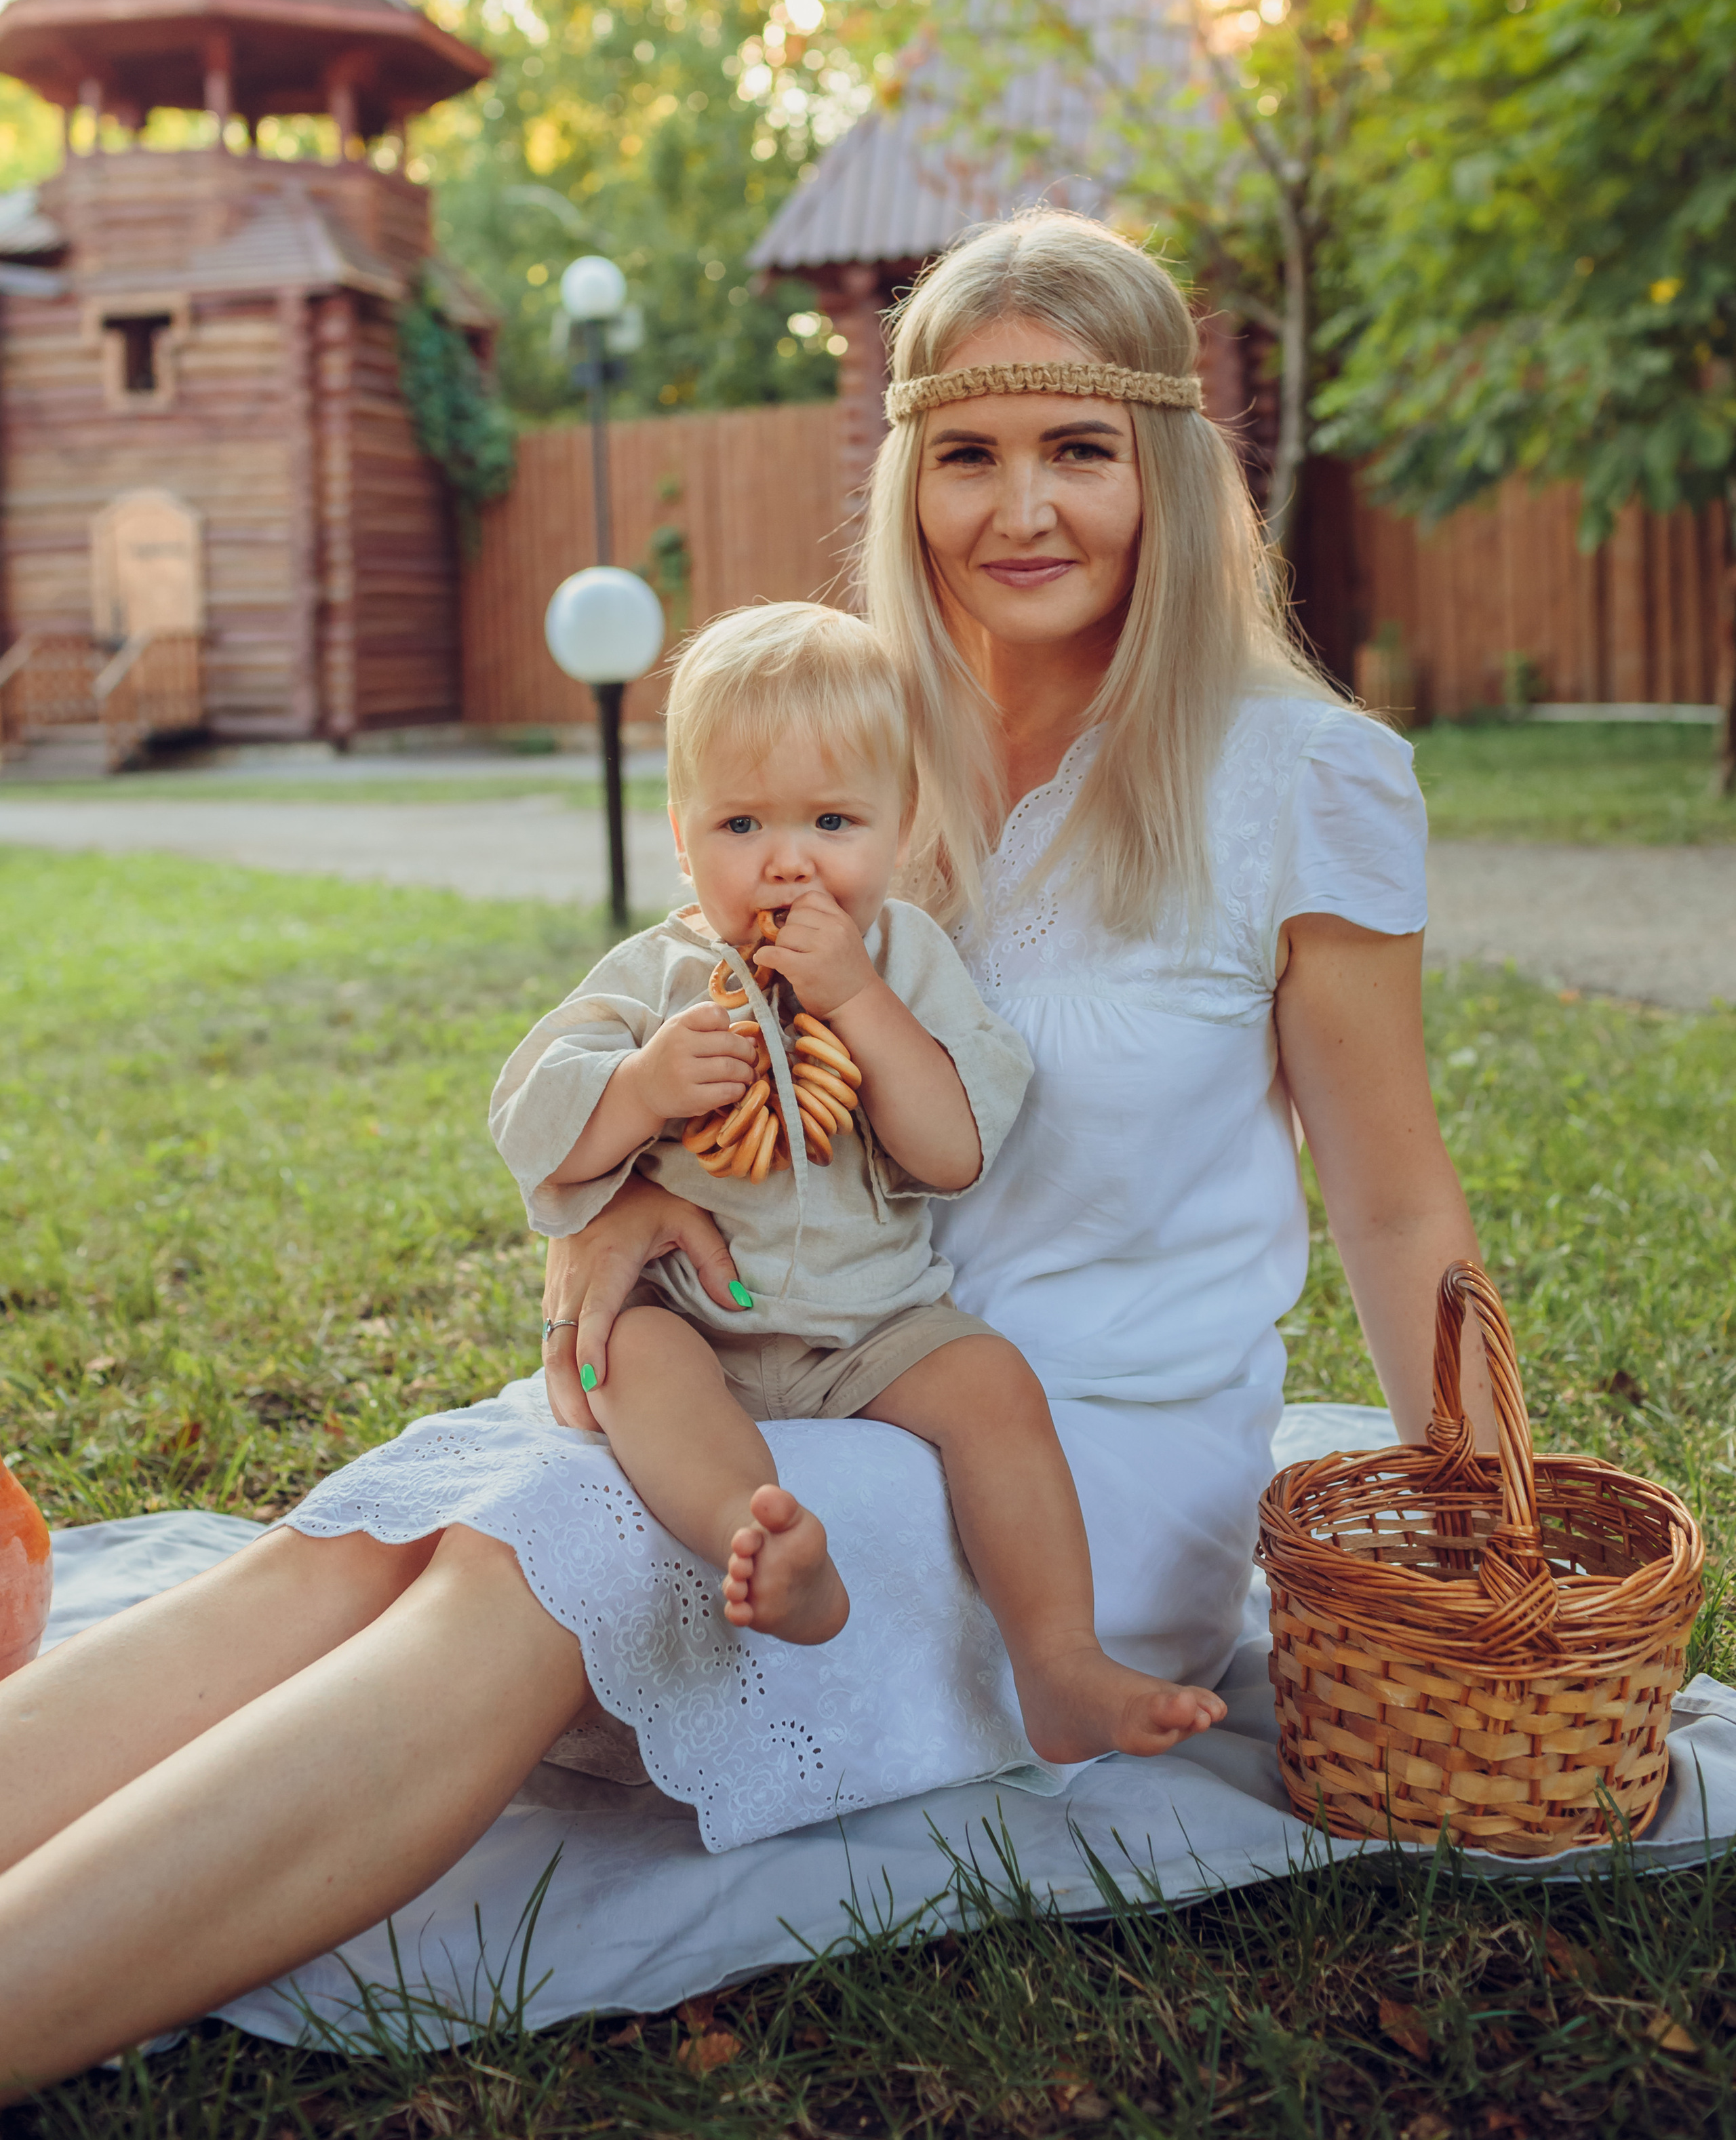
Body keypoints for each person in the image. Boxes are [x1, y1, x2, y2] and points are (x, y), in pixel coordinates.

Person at [0, 208, 1486, 2098]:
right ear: (907, 474)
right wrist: (614, 1204)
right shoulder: (859, 737)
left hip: (1074, 1459)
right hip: (794, 1351)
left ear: (1171, 471)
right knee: (370, 1542)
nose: (1020, 508)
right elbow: (691, 1037)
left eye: (1081, 451)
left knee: (536, 1564)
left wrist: (1480, 1493)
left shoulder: (1299, 777)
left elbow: (1389, 1187)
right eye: (967, 453)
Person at [494, 598, 1227, 1757]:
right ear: (682, 838)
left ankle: (1060, 1664)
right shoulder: (660, 974)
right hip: (700, 1317)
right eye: (741, 823)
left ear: (901, 827)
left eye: (833, 819)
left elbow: (951, 1147)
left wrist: (858, 1004)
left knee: (994, 1390)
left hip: (876, 1323)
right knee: (630, 1359)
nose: (788, 859)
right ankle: (767, 1538)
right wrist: (637, 1089)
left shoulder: (906, 962)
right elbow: (532, 1124)